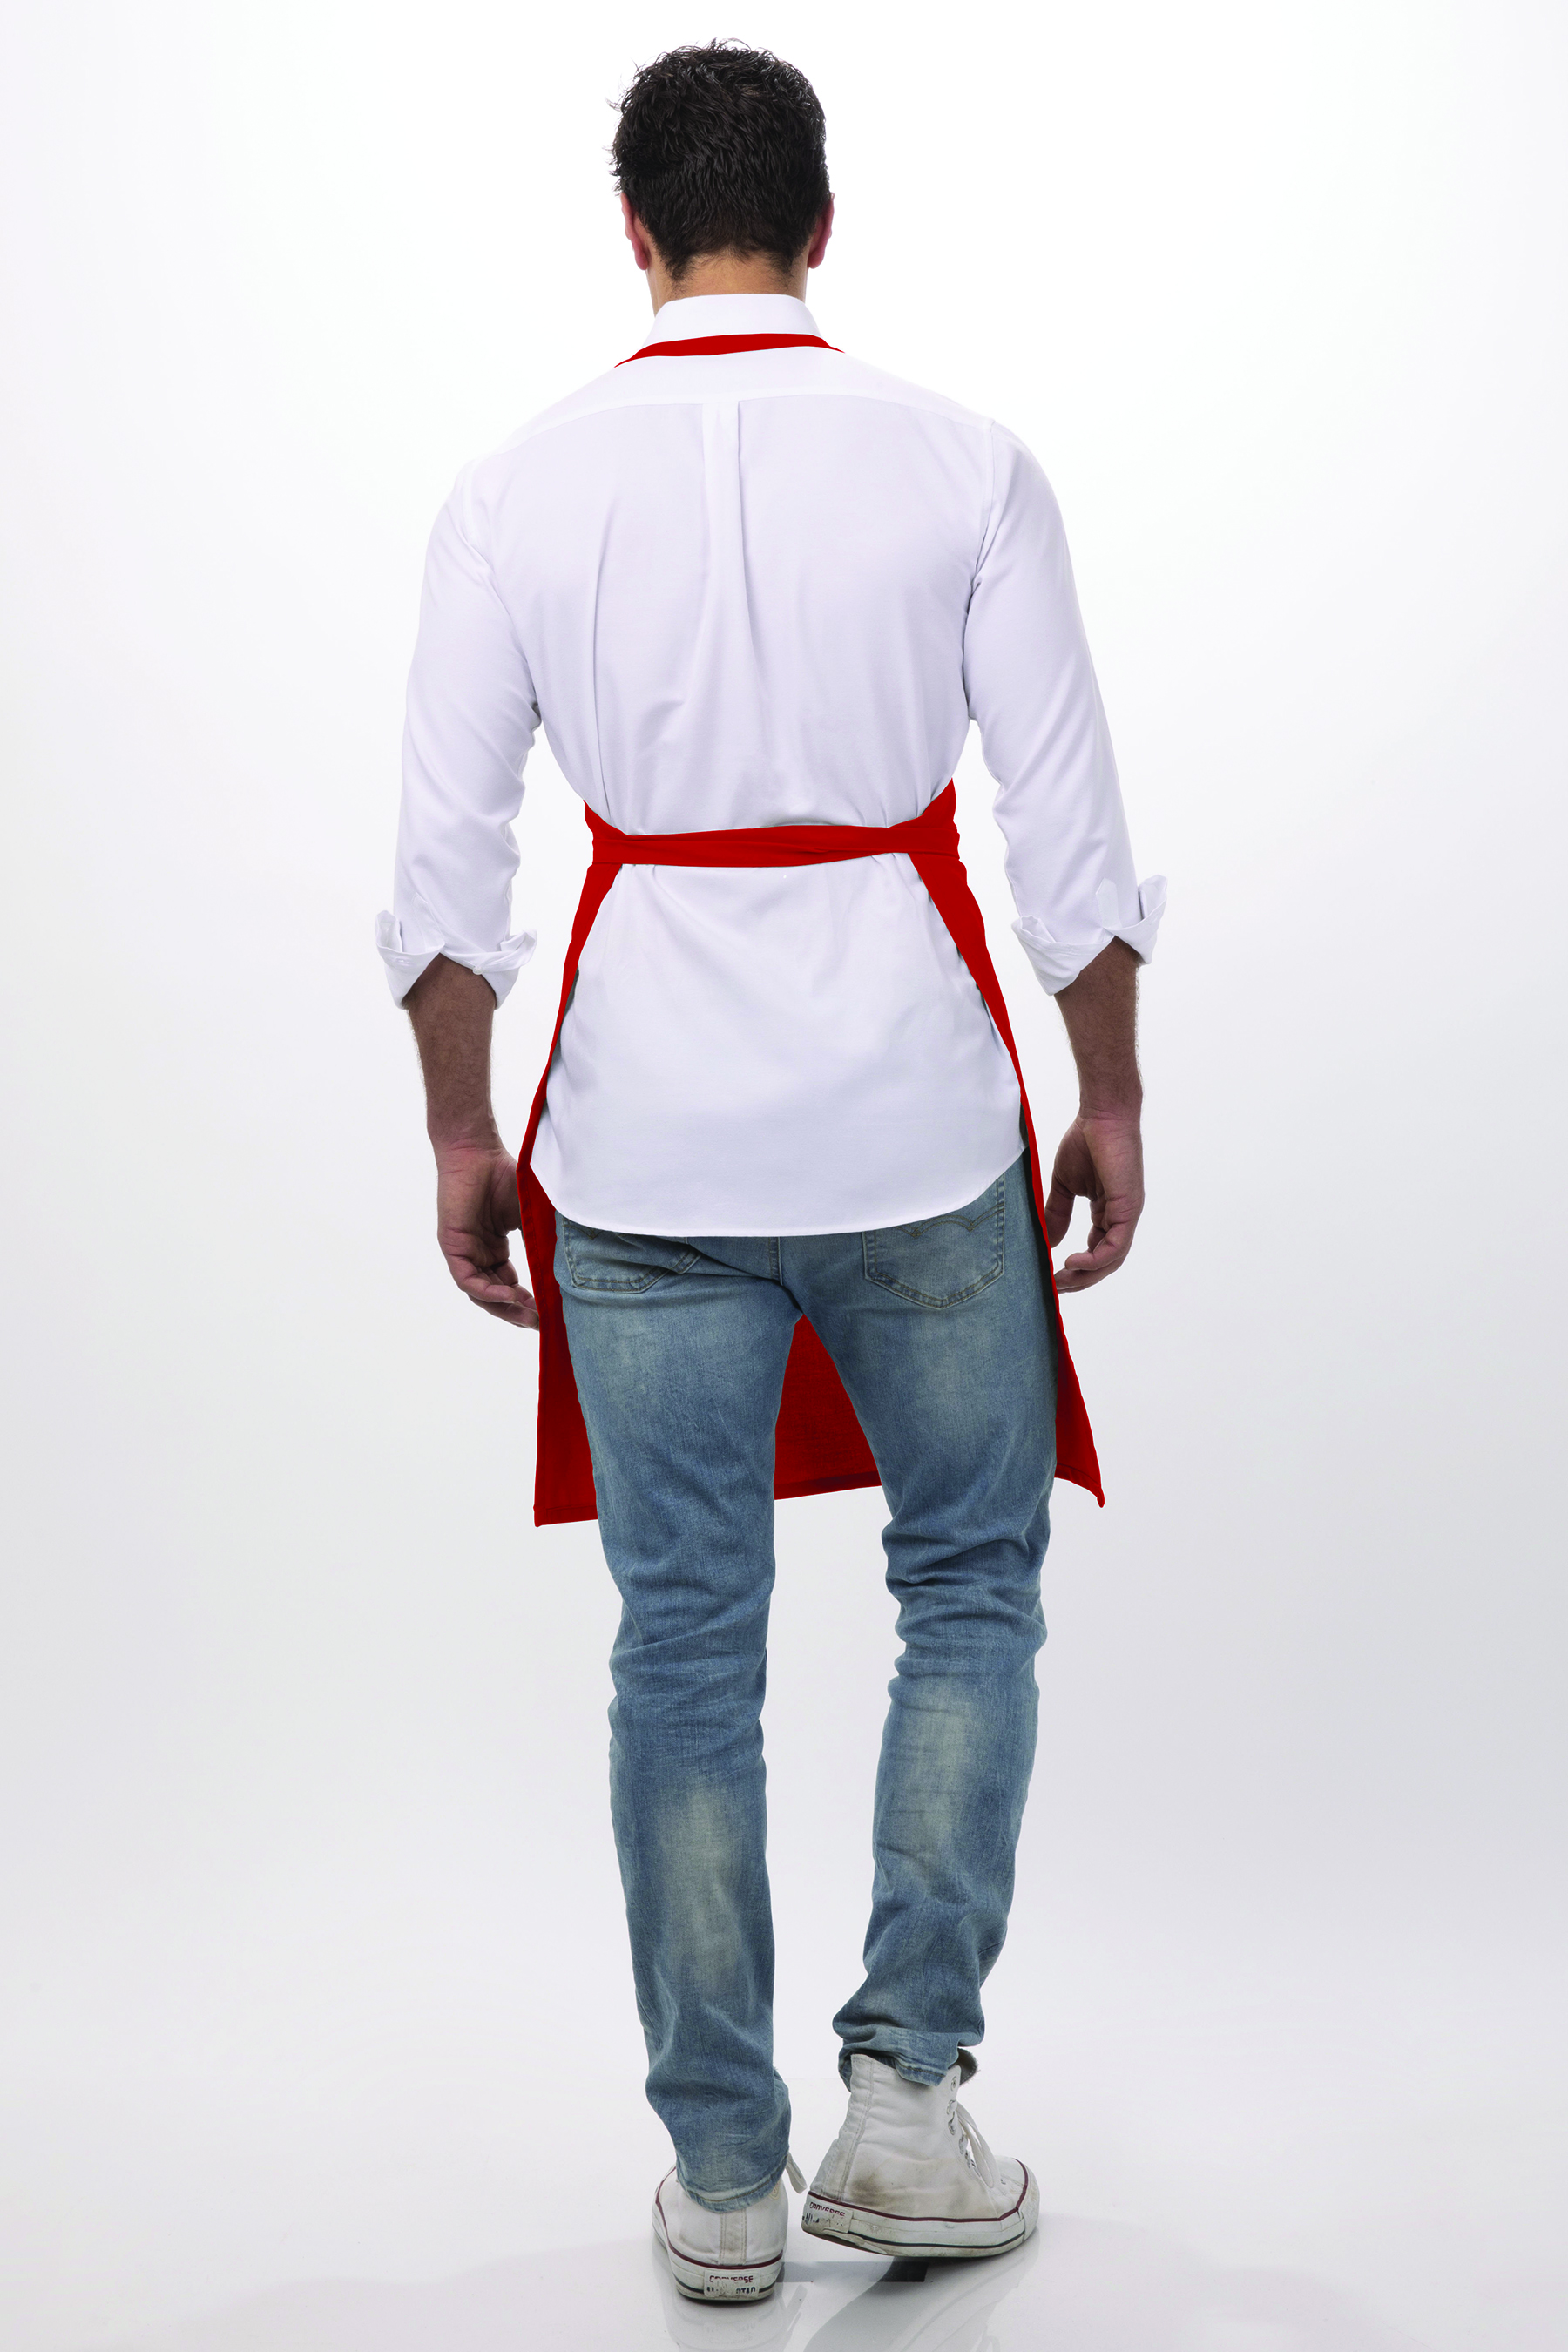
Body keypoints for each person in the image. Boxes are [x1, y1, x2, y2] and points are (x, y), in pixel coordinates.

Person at [377, 40, 1164, 2306]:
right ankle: (904, 2107)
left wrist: (463, 1127)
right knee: (972, 1588)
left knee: (686, 1641)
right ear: (823, 227)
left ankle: (724, 2180)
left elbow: (442, 876)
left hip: (639, 1143)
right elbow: (1072, 835)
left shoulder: (515, 490)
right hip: (918, 1122)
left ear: (633, 237)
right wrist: (1111, 1093)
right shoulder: (964, 462)